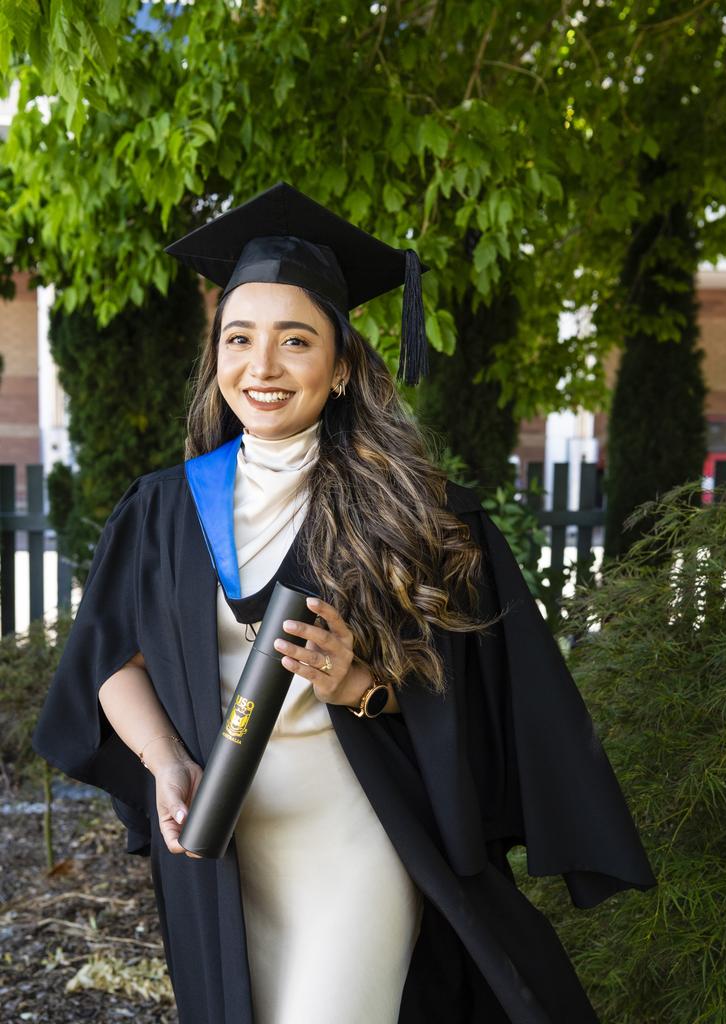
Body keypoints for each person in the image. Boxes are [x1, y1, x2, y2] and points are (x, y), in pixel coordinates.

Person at [33, 181, 657, 1024]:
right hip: (219, 845)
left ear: (339, 367)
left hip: (356, 837)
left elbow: (474, 695)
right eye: (240, 338)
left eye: (296, 341)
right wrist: (166, 765)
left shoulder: (416, 512)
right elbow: (110, 658)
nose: (262, 366)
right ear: (215, 356)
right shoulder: (165, 507)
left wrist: (360, 684)